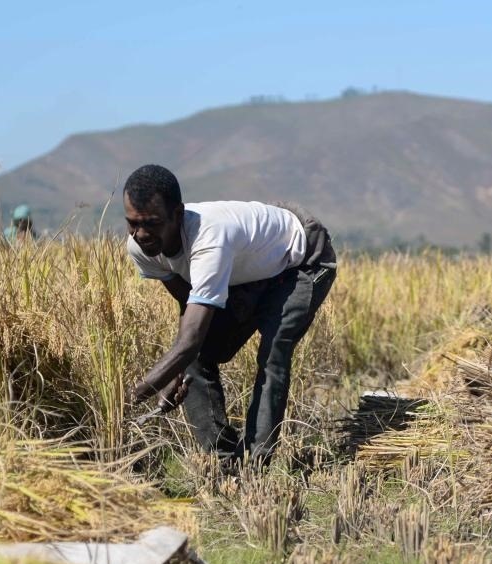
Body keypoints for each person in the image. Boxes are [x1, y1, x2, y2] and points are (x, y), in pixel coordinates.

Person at [125, 164, 337, 469]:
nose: (142, 234)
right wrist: (176, 371)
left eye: (153, 223)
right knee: (196, 355)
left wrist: (134, 395)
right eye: (133, 223)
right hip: (250, 270)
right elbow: (189, 306)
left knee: (274, 351)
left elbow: (189, 340)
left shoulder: (209, 239)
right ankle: (222, 461)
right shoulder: (139, 248)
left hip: (301, 257)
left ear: (178, 214)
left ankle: (255, 462)